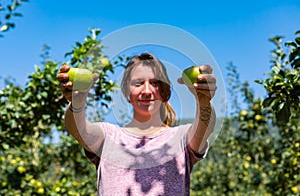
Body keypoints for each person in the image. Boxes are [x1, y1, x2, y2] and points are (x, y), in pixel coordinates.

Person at [57, 52, 217, 196]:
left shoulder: (180, 138)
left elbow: (205, 126)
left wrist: (203, 101)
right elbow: (77, 129)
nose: (147, 91)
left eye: (155, 83)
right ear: (127, 92)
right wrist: (77, 103)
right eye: (138, 83)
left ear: (164, 91)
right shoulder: (108, 136)